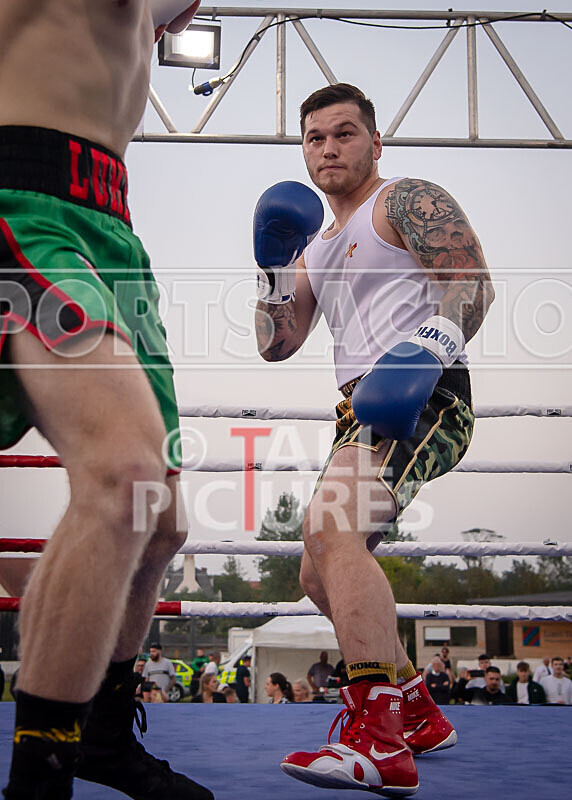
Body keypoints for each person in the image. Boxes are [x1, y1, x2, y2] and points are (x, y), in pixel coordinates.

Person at [254, 83, 494, 795]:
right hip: (356, 413)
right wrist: (270, 264)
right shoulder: (316, 243)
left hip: (424, 393)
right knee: (315, 572)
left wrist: (426, 349)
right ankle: (417, 709)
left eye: (345, 133)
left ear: (375, 142)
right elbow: (277, 343)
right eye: (315, 138)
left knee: (333, 532)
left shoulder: (405, 198)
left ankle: (380, 741)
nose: (328, 147)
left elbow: (472, 279)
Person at [0, 3, 214, 799]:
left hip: (111, 228)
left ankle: (101, 738)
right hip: (20, 200)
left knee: (161, 520)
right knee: (124, 474)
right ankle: (39, 777)